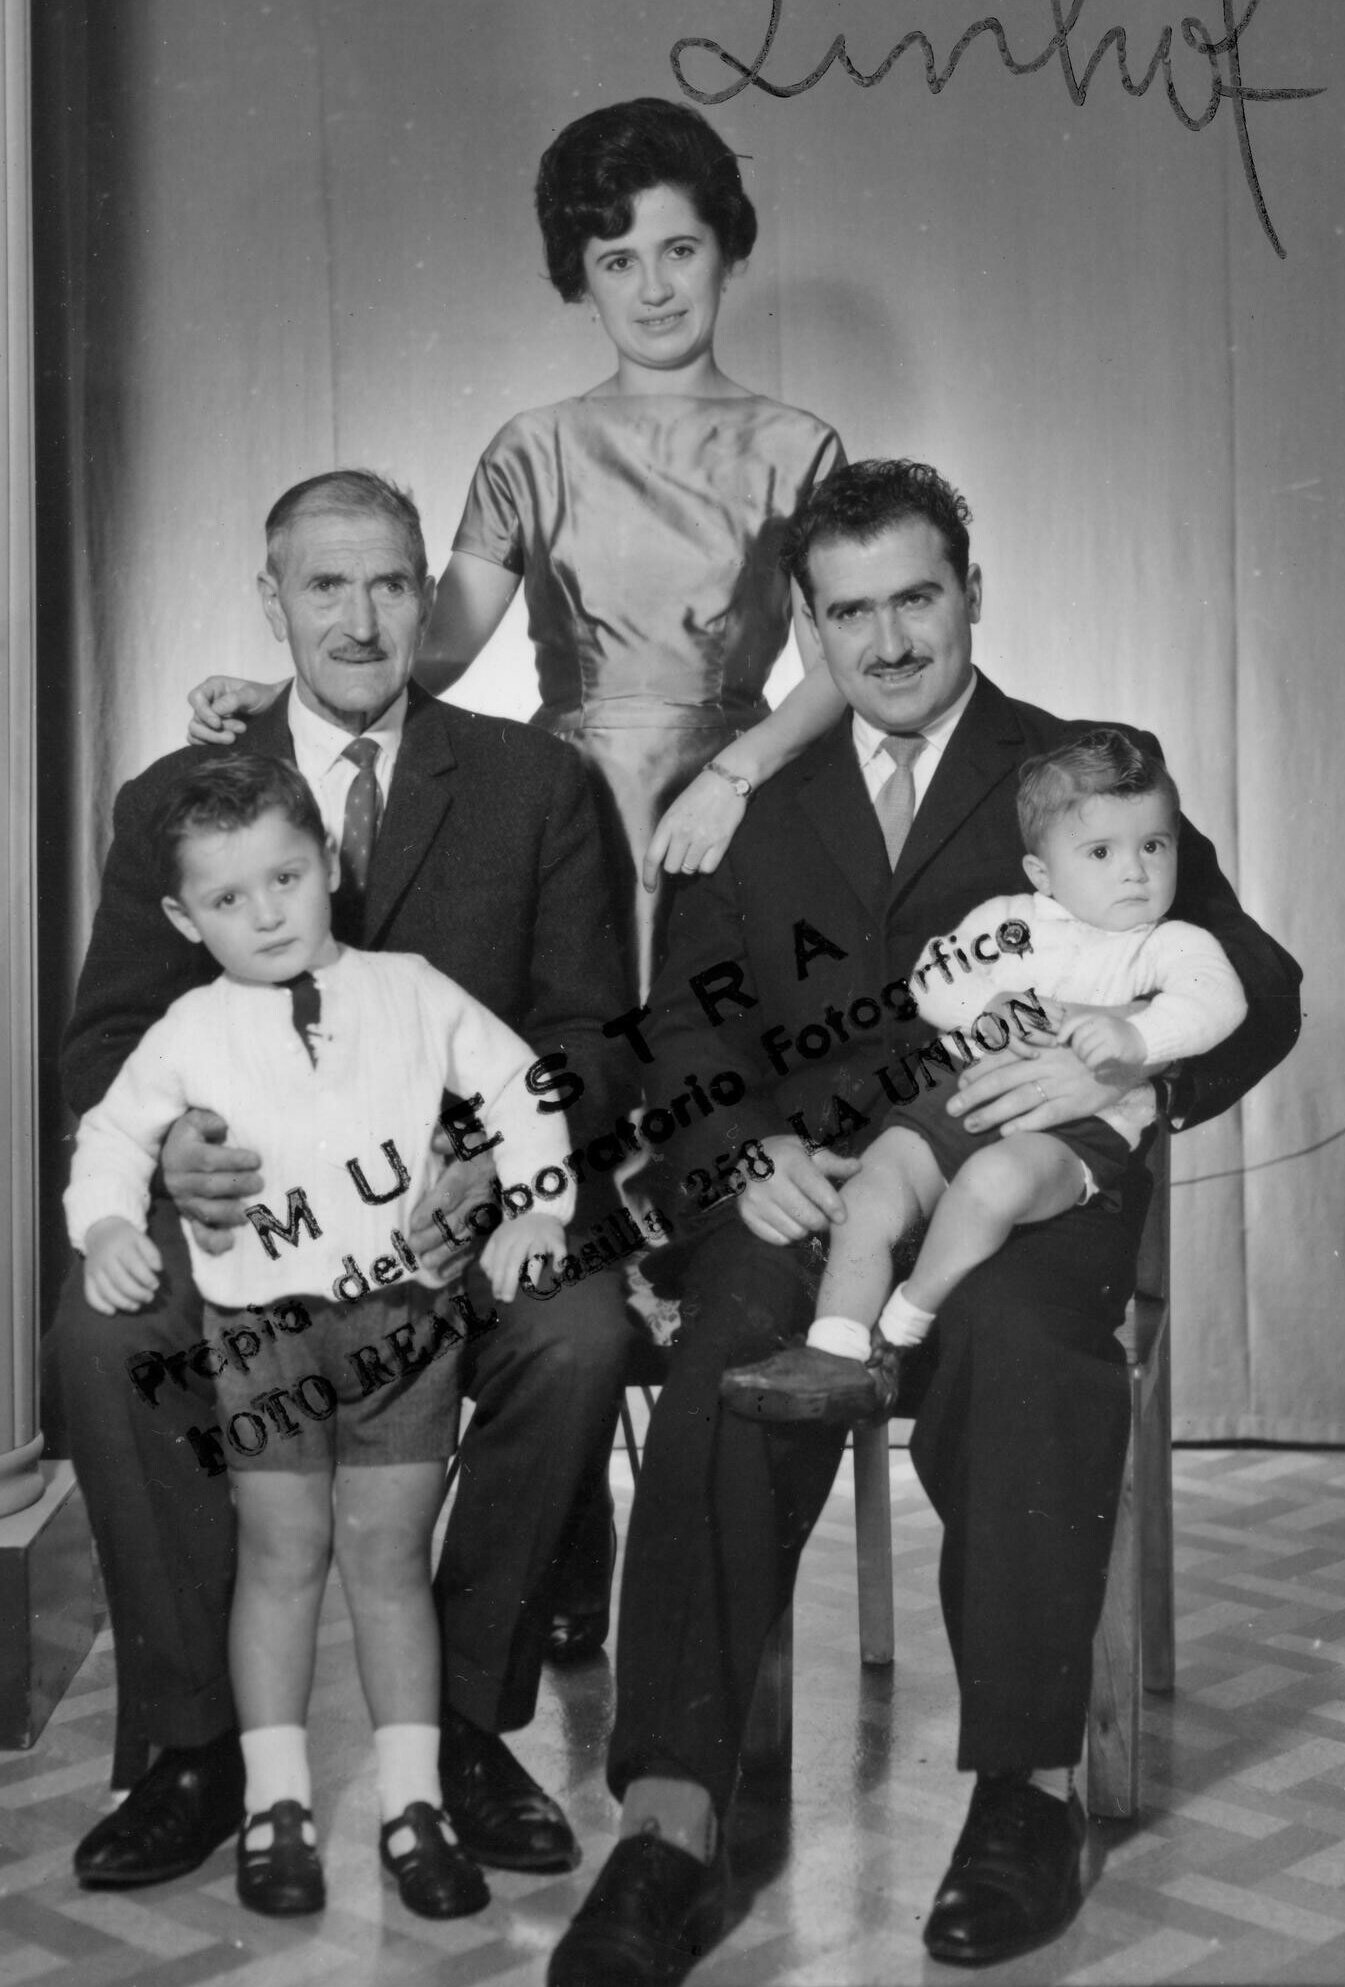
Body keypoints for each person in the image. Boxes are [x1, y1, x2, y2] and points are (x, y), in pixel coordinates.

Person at [540, 459, 1302, 1987]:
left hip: (1029, 1189)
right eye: (850, 611)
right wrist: (741, 1155)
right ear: (808, 629)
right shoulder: (751, 802)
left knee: (1020, 1349)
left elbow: (1255, 983)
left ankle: (1022, 1789)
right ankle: (671, 1823)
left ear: (971, 592)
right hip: (817, 1199)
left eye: (916, 598)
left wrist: (1120, 1065)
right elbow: (684, 1025)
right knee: (727, 1375)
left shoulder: (1077, 775)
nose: (887, 639)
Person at [184, 96, 854, 1655]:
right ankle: (567, 1517)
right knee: (557, 1091)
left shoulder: (795, 445)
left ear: (727, 254)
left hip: (728, 810)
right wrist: (268, 680)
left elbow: (836, 665)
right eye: (617, 255)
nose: (654, 283)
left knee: (687, 1103)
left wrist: (740, 776)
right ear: (579, 271)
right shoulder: (533, 449)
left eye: (681, 248)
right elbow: (425, 644)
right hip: (570, 804)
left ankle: (664, 1487)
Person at [48, 468, 638, 1900]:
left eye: (392, 584)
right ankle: (196, 1746)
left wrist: (495, 1166)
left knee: (573, 1337)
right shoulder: (172, 799)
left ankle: (471, 1729)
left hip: (452, 1210)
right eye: (327, 586)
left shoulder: (535, 783)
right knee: (106, 1335)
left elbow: (592, 1044)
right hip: (252, 1220)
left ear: (428, 597)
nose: (364, 620)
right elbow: (110, 1044)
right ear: (274, 602)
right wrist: (176, 1160)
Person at [723, 728, 1247, 1421]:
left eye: (1154, 846)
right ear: (1041, 872)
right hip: (956, 1105)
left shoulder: (1167, 943)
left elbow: (1220, 1001)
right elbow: (931, 983)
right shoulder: (1008, 921)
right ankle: (836, 1350)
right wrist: (987, 1003)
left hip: (1068, 1133)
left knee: (989, 1184)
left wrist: (1135, 1035)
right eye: (1100, 852)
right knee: (874, 1187)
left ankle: (901, 1325)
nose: (1135, 872)